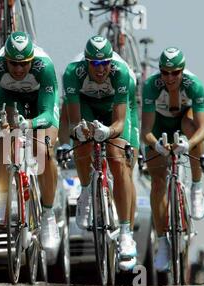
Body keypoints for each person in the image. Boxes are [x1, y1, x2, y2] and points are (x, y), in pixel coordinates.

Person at [0, 31, 61, 263]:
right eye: (13, 64)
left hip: (39, 105)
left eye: (23, 64)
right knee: (1, 139)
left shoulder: (44, 66)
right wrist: (0, 125)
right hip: (9, 99)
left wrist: (30, 124)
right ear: (5, 60)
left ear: (31, 60)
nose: (18, 70)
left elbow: (48, 112)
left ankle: (47, 215)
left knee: (44, 151)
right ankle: (4, 200)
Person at [62, 35, 137, 271]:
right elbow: (75, 122)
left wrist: (108, 132)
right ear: (86, 63)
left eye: (105, 63)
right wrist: (82, 131)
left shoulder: (121, 73)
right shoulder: (73, 73)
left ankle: (126, 232)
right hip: (87, 106)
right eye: (95, 64)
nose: (101, 68)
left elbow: (119, 122)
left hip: (116, 114)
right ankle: (86, 191)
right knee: (82, 141)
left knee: (118, 160)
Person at [141, 47, 204, 272]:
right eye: (165, 72)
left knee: (193, 131)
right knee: (158, 183)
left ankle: (196, 187)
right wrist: (156, 145)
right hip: (159, 128)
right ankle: (162, 242)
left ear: (182, 71)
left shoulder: (194, 85)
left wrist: (188, 144)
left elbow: (203, 128)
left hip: (183, 123)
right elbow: (146, 131)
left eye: (175, 72)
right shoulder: (151, 86)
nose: (170, 78)